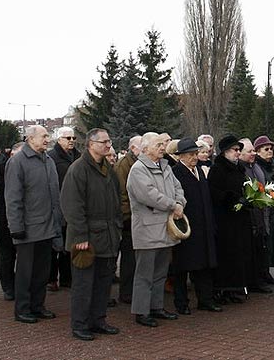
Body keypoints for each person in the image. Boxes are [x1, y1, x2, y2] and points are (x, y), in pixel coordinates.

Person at [61, 128, 122, 341]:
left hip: (108, 236)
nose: (108, 145)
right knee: (83, 284)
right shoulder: (78, 169)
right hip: (86, 239)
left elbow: (116, 201)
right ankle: (80, 324)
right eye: (104, 142)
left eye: (109, 141)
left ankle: (98, 320)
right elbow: (72, 206)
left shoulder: (108, 169)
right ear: (91, 144)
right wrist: (80, 237)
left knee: (103, 283)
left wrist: (117, 227)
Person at [127, 132, 186, 328]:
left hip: (165, 228)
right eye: (158, 144)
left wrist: (180, 202)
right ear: (145, 149)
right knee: (144, 273)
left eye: (163, 144)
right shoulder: (138, 170)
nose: (162, 147)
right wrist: (173, 205)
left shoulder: (166, 167)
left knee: (160, 271)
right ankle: (141, 311)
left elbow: (178, 188)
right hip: (147, 230)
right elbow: (149, 195)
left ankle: (157, 307)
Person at [5, 125, 63, 324]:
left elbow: (55, 195)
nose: (48, 139)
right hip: (28, 229)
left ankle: (38, 306)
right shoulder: (18, 162)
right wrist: (16, 227)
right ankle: (22, 309)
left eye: (48, 136)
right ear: (30, 138)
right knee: (25, 273)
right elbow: (13, 198)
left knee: (42, 272)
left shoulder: (48, 161)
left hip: (48, 227)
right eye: (44, 136)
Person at [171, 138, 221, 315]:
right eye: (191, 154)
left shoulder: (199, 171)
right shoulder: (175, 173)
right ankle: (181, 302)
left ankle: (205, 300)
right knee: (182, 266)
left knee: (204, 264)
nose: (195, 157)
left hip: (204, 225)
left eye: (195, 153)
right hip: (186, 225)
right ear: (181, 156)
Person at [208, 135, 251, 304]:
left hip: (239, 218)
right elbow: (214, 192)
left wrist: (248, 199)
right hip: (225, 219)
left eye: (239, 150)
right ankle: (222, 289)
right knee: (226, 254)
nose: (238, 153)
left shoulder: (239, 168)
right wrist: (230, 198)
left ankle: (235, 287)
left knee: (238, 254)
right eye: (235, 150)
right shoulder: (218, 169)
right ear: (225, 152)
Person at [47, 127, 81, 292]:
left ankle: (67, 278)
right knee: (55, 245)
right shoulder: (52, 157)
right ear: (59, 139)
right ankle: (51, 278)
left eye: (73, 137)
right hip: (57, 205)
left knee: (69, 244)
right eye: (68, 138)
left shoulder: (77, 156)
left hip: (73, 206)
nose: (72, 141)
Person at [238, 138, 271, 294]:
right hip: (249, 216)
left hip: (260, 215)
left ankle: (261, 277)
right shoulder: (240, 169)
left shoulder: (256, 167)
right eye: (249, 151)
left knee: (260, 249)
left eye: (253, 151)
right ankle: (253, 281)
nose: (253, 154)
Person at [0, 141, 24, 301]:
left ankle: (18, 284)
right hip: (6, 219)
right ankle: (7, 286)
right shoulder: (2, 169)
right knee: (6, 254)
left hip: (22, 219)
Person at [114, 135, 142, 304]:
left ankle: (132, 290)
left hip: (135, 216)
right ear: (133, 148)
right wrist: (127, 215)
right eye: (141, 147)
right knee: (129, 258)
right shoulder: (123, 165)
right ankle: (126, 293)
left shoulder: (135, 164)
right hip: (129, 218)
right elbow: (121, 194)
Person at [254, 135, 274, 284]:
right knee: (266, 241)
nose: (269, 151)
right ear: (258, 151)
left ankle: (268, 271)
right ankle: (262, 272)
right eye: (266, 149)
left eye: (271, 148)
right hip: (265, 209)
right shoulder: (257, 166)